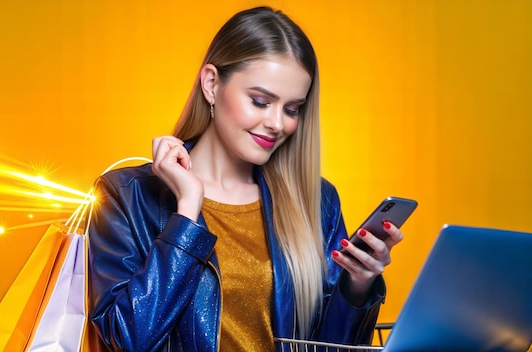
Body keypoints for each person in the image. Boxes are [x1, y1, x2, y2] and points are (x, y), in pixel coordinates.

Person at [88, 6, 403, 352]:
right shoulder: (124, 196)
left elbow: (328, 348)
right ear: (211, 84)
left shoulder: (316, 201)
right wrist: (187, 213)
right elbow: (128, 340)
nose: (277, 123)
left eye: (292, 109)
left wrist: (356, 286)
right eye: (260, 101)